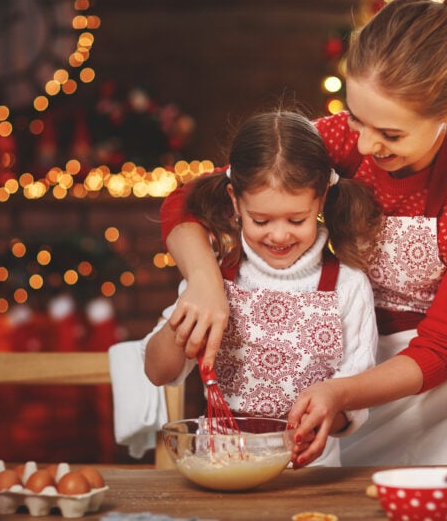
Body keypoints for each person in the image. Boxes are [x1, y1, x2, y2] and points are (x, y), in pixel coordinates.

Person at [158, 0, 447, 468]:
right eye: (357, 119)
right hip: (358, 374)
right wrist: (205, 282)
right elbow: (187, 202)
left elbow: (439, 351)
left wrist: (341, 392)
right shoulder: (337, 141)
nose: (363, 146)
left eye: (391, 134)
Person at [143, 109, 382, 466]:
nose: (280, 234)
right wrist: (183, 323)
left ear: (320, 200)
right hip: (223, 471)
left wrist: (327, 413)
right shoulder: (215, 278)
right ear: (235, 202)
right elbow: (158, 372)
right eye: (261, 220)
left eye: (296, 219)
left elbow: (355, 398)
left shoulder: (347, 286)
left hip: (310, 475)